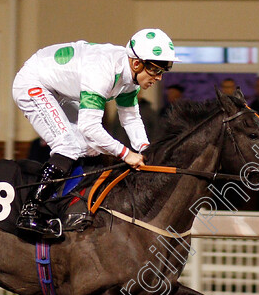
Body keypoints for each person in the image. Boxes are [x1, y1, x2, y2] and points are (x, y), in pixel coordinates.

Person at [12, 28, 178, 237]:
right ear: (137, 63)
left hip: (60, 90)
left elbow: (130, 118)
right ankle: (29, 212)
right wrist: (126, 154)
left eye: (163, 71)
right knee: (68, 145)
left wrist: (147, 150)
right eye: (156, 70)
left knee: (88, 148)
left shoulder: (129, 78)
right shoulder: (103, 71)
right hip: (33, 83)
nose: (159, 78)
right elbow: (89, 127)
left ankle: (67, 203)